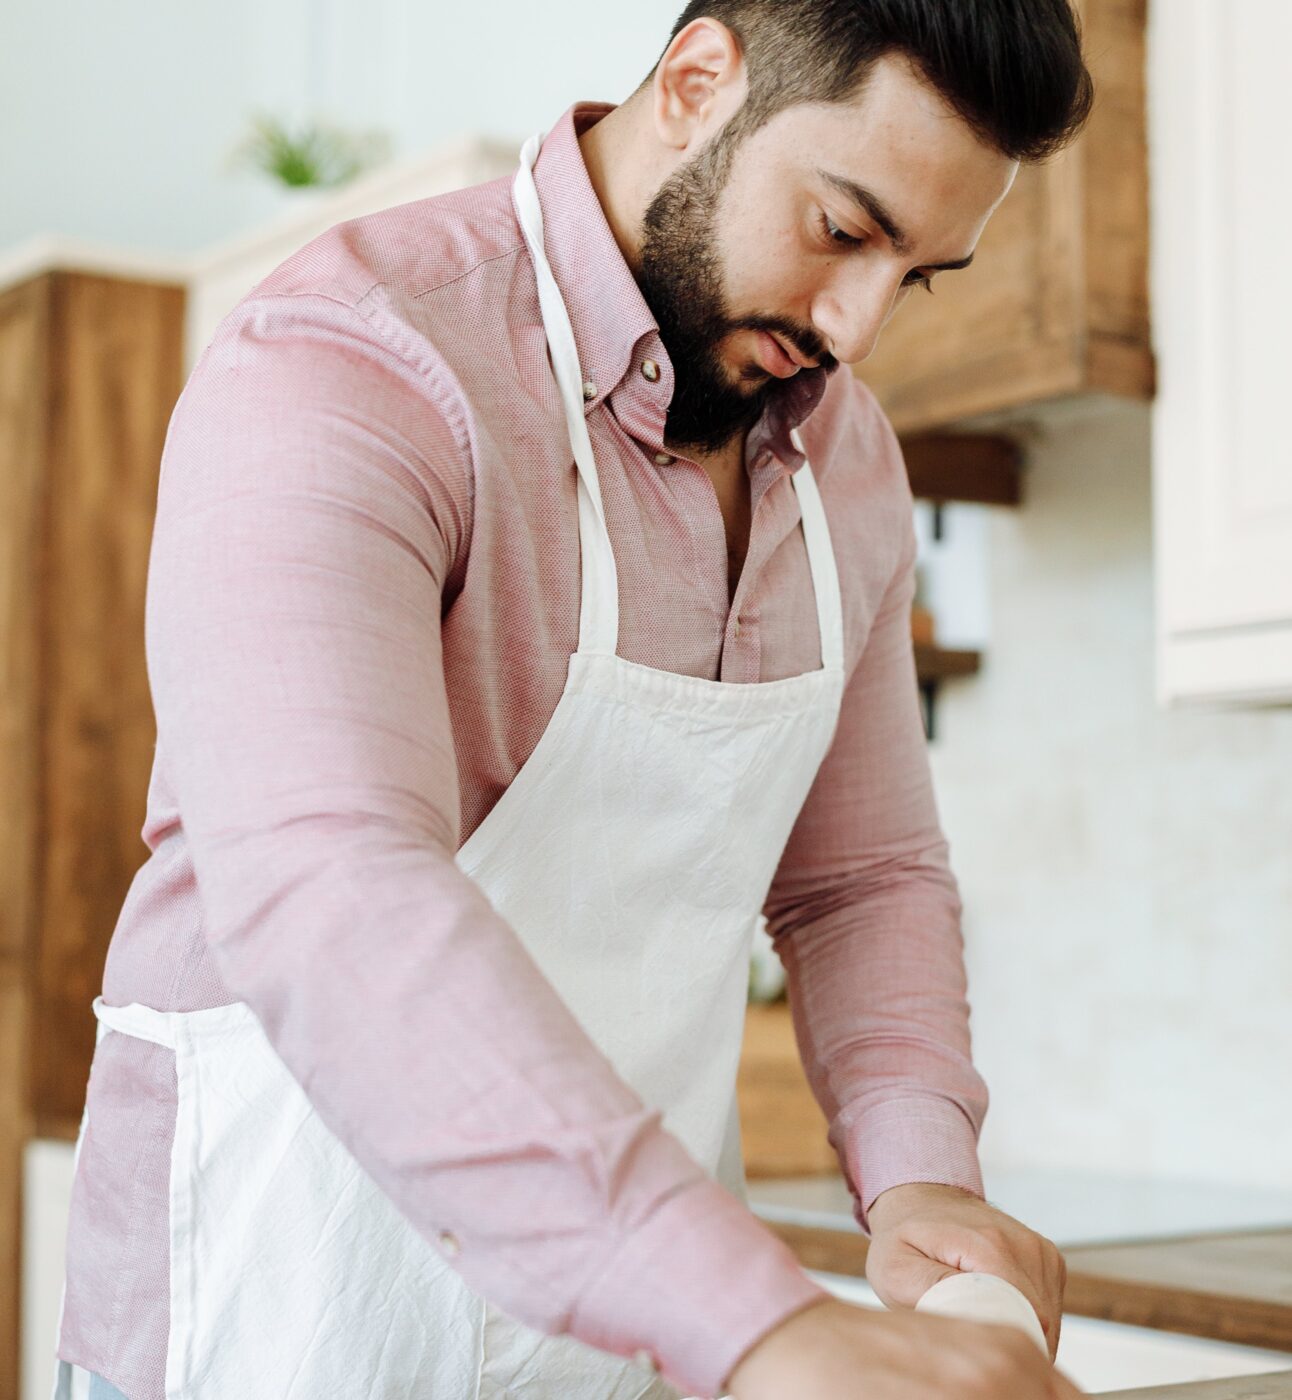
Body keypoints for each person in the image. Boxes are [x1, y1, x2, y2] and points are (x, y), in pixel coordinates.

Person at [52, 2, 1095, 1397]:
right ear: (698, 80)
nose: (856, 328)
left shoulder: (849, 468)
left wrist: (923, 1187)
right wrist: (760, 1321)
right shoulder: (352, 357)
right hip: (281, 1307)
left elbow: (862, 880)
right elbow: (330, 887)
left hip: (617, 1346)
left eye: (915, 275)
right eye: (846, 230)